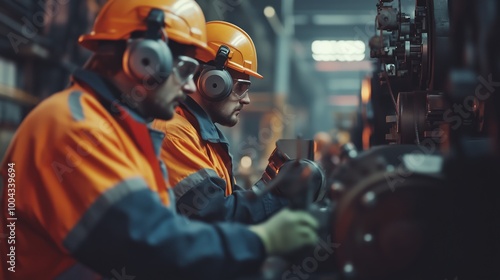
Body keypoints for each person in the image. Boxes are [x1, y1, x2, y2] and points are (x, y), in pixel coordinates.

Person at [0, 1, 319, 279]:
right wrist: (261, 240)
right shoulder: (75, 129)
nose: (190, 87)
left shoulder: (119, 131)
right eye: (183, 69)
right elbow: (150, 245)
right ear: (144, 60)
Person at [152, 21, 293, 224]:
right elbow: (218, 216)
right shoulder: (174, 133)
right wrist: (282, 196)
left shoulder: (201, 135)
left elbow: (230, 203)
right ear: (213, 82)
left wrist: (271, 183)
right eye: (241, 87)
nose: (246, 99)